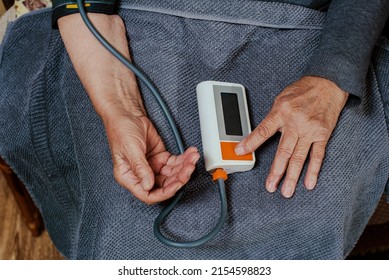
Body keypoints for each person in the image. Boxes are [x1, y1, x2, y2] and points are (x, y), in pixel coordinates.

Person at [0, 0, 388, 259]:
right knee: (123, 221)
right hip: (135, 26)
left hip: (308, 32)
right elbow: (86, 8)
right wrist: (121, 110)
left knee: (309, 204)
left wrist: (331, 77)